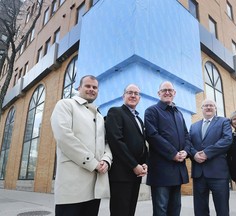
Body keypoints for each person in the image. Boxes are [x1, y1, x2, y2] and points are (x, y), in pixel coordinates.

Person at [50, 75, 112, 216]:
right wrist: (93, 163)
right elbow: (64, 137)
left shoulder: (100, 116)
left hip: (94, 187)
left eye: (94, 87)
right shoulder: (65, 104)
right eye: (88, 86)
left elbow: (107, 143)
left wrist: (106, 160)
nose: (91, 89)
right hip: (72, 187)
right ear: (79, 88)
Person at [144, 81, 191, 216]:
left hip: (177, 170)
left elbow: (186, 136)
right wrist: (173, 153)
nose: (167, 92)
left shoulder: (179, 113)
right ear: (159, 93)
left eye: (170, 90)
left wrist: (185, 151)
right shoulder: (152, 111)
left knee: (175, 208)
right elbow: (152, 135)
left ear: (174, 93)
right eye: (164, 90)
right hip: (161, 170)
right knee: (161, 209)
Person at [105, 84, 148, 216]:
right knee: (120, 212)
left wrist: (145, 163)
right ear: (124, 96)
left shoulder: (139, 120)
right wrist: (134, 165)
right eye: (130, 92)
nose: (133, 96)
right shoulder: (115, 112)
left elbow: (143, 144)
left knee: (130, 211)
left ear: (139, 98)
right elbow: (116, 141)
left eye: (136, 94)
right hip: (121, 174)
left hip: (136, 174)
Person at [189, 99, 232, 216]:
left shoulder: (224, 122)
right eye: (205, 106)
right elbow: (188, 144)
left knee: (222, 208)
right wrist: (194, 154)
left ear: (215, 108)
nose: (208, 107)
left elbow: (227, 140)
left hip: (218, 173)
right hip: (199, 174)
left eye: (211, 105)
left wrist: (206, 153)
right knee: (200, 209)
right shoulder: (193, 126)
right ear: (201, 109)